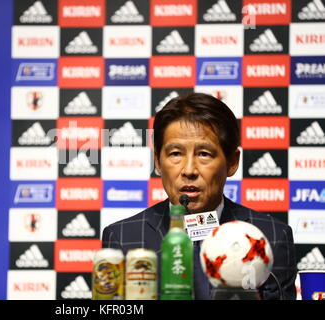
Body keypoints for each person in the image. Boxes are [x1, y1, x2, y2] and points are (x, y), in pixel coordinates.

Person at [101, 92, 297, 300]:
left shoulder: (271, 236)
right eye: (175, 154)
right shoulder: (123, 237)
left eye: (204, 154)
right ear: (157, 162)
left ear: (232, 162)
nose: (189, 170)